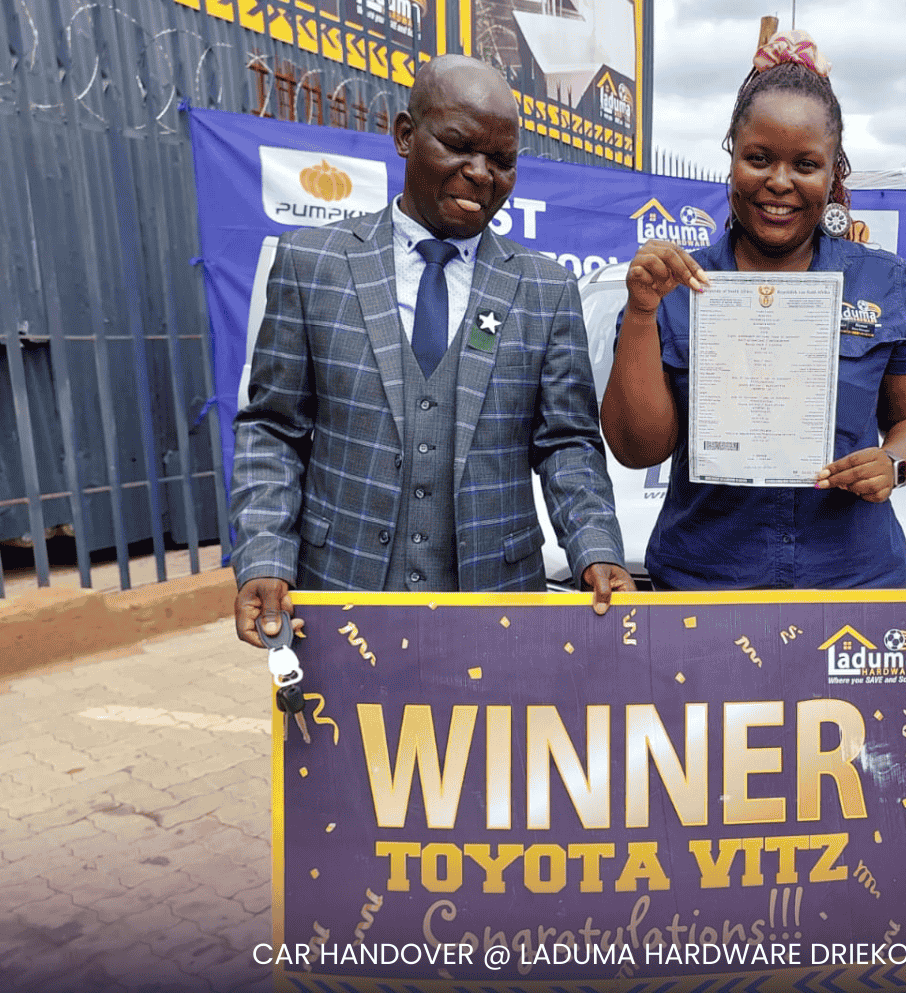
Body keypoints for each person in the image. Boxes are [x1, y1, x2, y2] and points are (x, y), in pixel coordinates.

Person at [232, 55, 632, 647]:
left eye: (502, 161)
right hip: (339, 598)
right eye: (459, 146)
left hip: (496, 607)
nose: (481, 174)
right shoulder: (312, 265)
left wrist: (595, 546)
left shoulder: (545, 289)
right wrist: (265, 554)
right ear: (404, 135)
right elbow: (272, 429)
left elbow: (566, 441)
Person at [600, 31, 906, 590]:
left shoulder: (883, 283)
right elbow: (638, 450)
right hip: (705, 583)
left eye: (806, 164)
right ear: (732, 158)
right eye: (758, 159)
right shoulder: (673, 287)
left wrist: (893, 463)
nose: (779, 182)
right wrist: (642, 314)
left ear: (833, 174)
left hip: (851, 582)